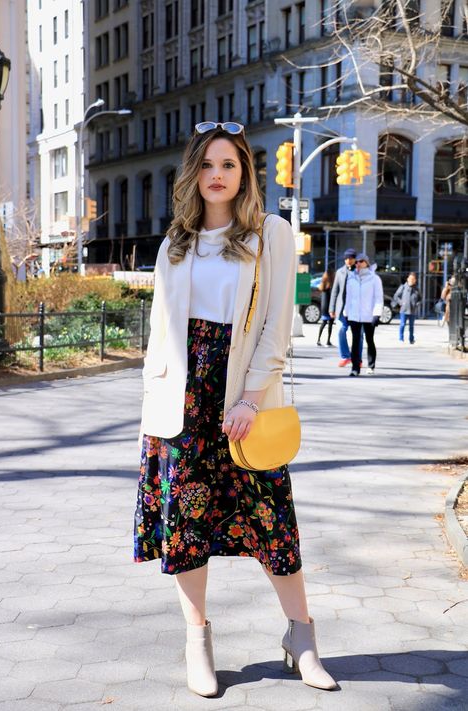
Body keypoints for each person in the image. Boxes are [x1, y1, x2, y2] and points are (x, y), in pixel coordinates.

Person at [134, 121, 337, 697]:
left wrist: (249, 396)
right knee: (186, 529)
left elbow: (278, 323)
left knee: (271, 521)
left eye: (228, 164)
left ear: (245, 171)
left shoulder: (270, 232)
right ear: (192, 173)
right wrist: (154, 414)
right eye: (206, 165)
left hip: (242, 395)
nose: (217, 175)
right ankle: (197, 641)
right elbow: (160, 334)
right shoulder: (175, 241)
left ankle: (302, 639)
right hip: (180, 404)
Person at [344, 253, 383, 376]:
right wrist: (346, 313)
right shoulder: (351, 278)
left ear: (367, 263)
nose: (358, 264)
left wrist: (377, 314)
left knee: (369, 340)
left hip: (368, 314)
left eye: (361, 261)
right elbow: (348, 298)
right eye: (357, 262)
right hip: (354, 315)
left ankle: (371, 365)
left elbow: (378, 298)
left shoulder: (374, 278)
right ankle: (355, 368)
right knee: (355, 341)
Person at [329, 248, 361, 366]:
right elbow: (335, 291)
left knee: (359, 335)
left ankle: (358, 358)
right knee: (341, 330)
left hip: (356, 309)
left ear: (355, 259)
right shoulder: (339, 272)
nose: (348, 261)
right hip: (342, 309)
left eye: (351, 258)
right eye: (346, 259)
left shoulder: (360, 271)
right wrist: (331, 308)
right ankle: (345, 356)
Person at [392, 272, 421, 344]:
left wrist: (417, 304)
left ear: (415, 280)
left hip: (413, 310)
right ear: (408, 279)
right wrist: (401, 302)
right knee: (402, 324)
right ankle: (401, 338)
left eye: (413, 279)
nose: (411, 280)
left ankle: (411, 339)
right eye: (410, 279)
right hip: (404, 310)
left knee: (411, 326)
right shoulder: (403, 287)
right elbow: (396, 296)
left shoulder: (417, 289)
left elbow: (420, 299)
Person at [316, 270, 335, 347]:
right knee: (330, 324)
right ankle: (328, 340)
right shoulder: (331, 286)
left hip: (324, 307)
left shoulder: (323, 285)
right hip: (330, 307)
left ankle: (318, 339)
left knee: (323, 323)